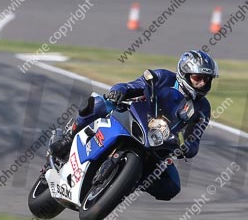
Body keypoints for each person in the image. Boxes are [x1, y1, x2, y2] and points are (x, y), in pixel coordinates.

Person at [48, 50, 219, 200]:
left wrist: (185, 146)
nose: (202, 84)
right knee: (98, 103)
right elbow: (133, 85)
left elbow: (194, 141)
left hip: (160, 145)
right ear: (184, 73)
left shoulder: (203, 109)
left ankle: (127, 183)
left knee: (171, 186)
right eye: (197, 78)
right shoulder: (163, 77)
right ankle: (69, 137)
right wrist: (119, 91)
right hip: (135, 116)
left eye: (206, 80)